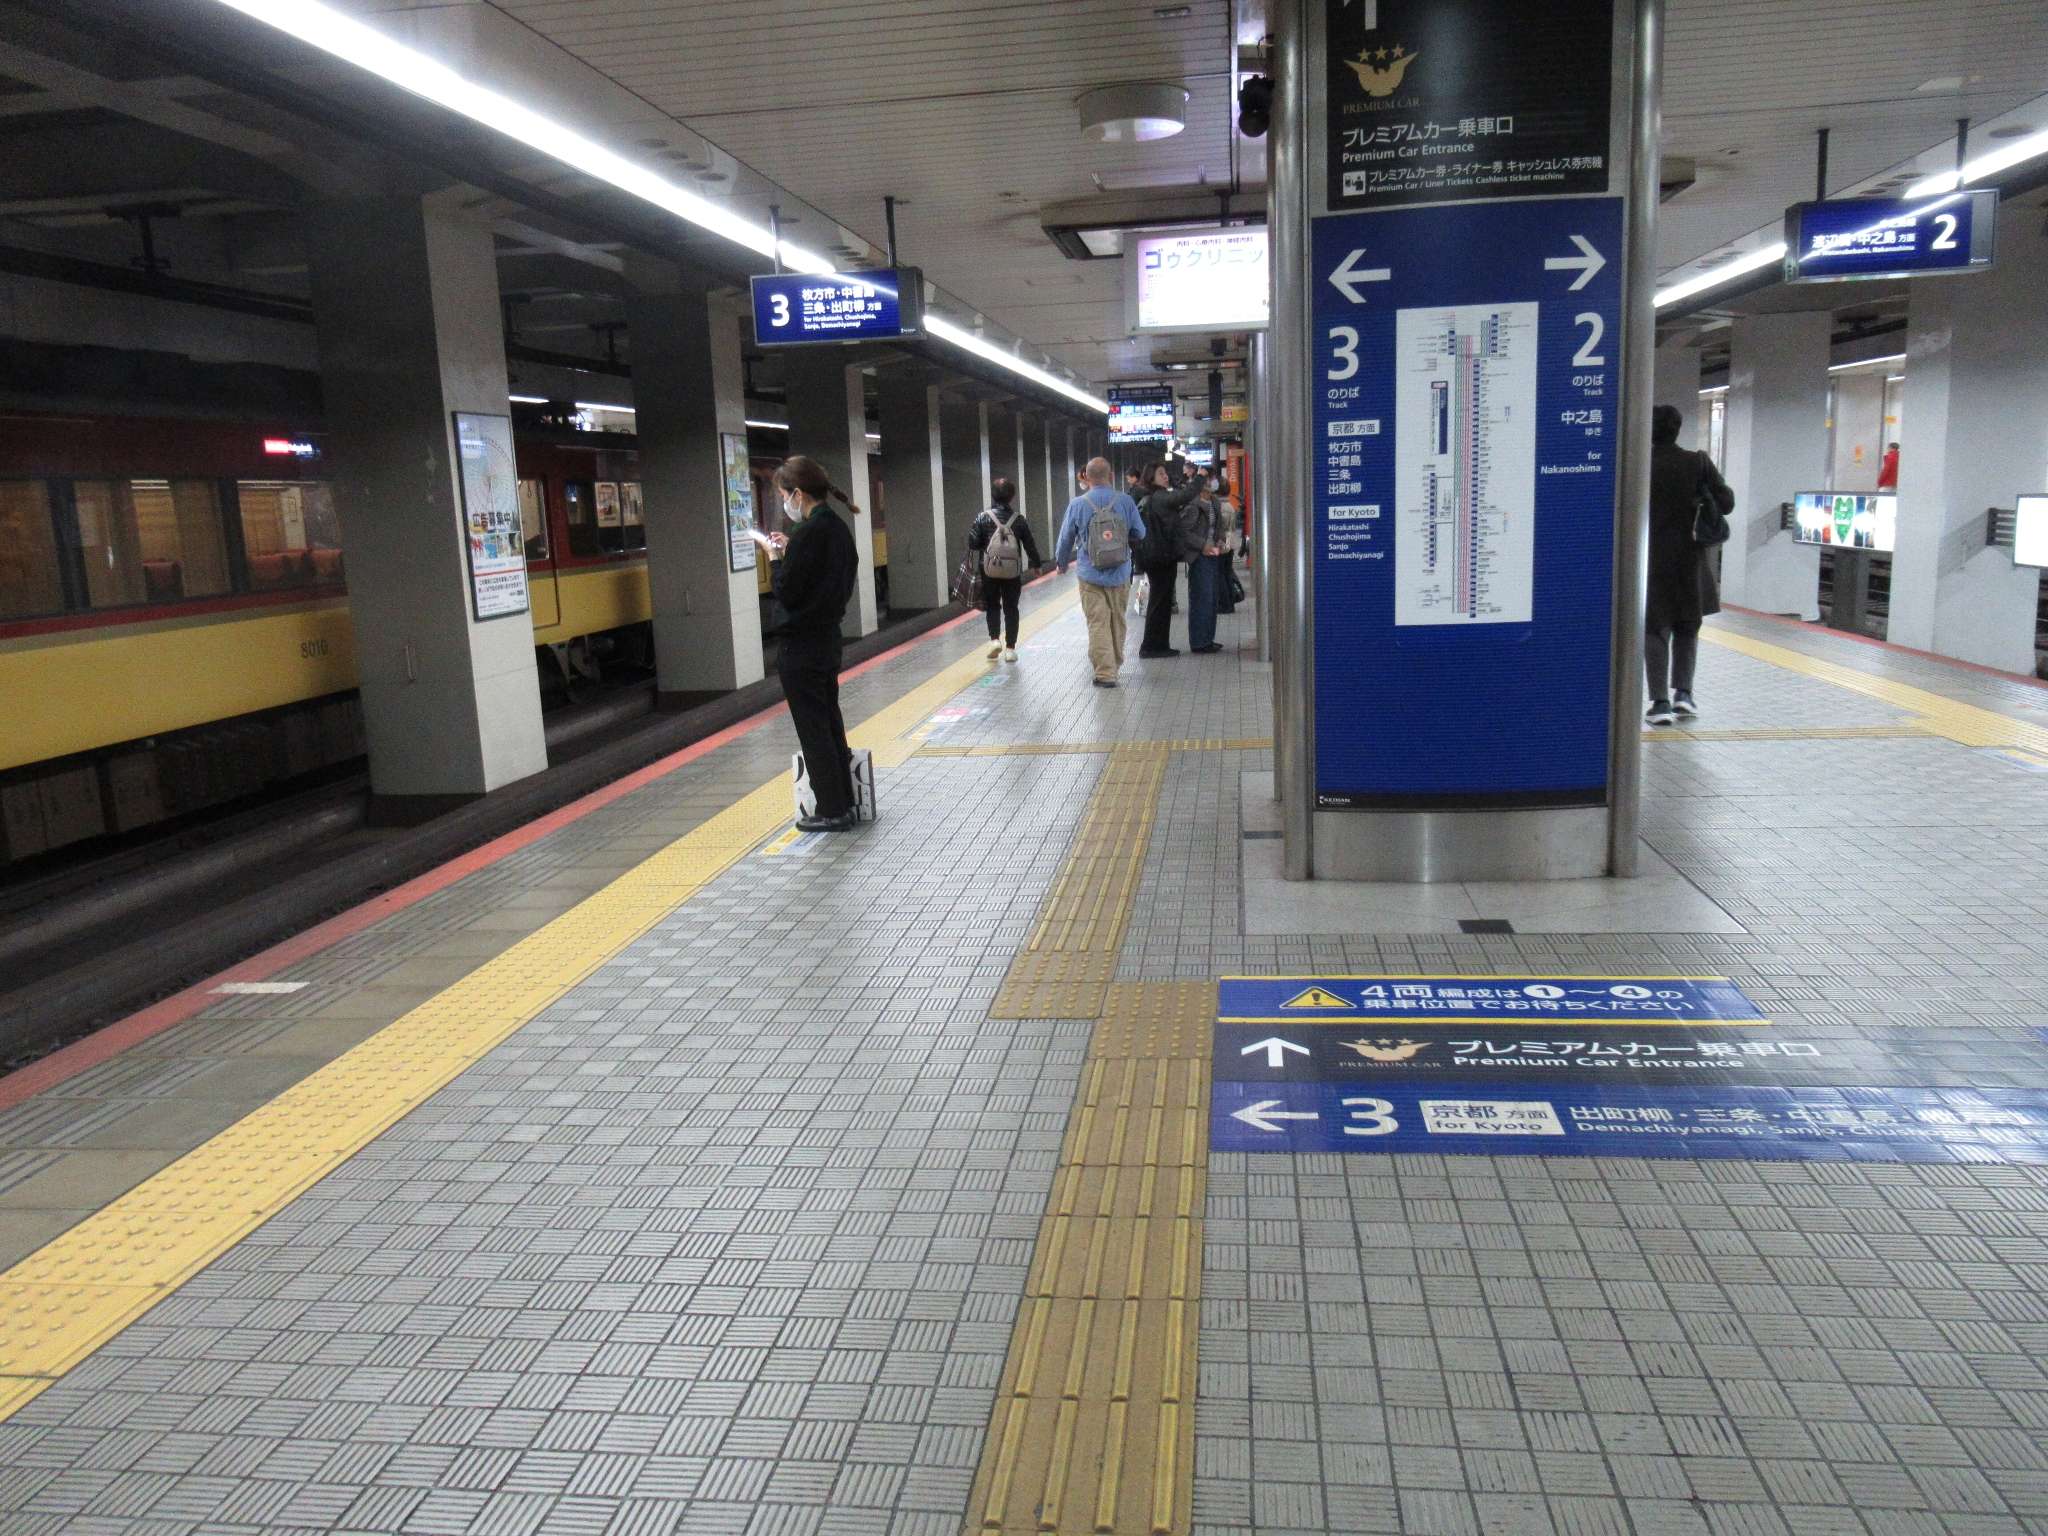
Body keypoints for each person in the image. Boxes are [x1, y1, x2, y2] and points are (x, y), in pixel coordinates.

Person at [767, 454, 861, 830]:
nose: (784, 504)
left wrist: (776, 559)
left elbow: (787, 592)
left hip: (801, 647)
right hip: (827, 640)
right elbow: (826, 575)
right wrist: (793, 549)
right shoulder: (836, 528)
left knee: (813, 728)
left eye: (783, 496)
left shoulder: (809, 533)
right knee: (829, 722)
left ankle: (832, 810)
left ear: (798, 493)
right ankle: (845, 800)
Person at [1645, 405, 1733, 727]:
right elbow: (1727, 503)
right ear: (1677, 429)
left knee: (1656, 629)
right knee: (1687, 625)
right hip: (1690, 559)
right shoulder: (1697, 462)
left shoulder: (1641, 464)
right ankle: (1684, 694)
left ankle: (1659, 703)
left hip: (1651, 559)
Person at [1054, 457, 1147, 688]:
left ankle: (1105, 672)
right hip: (1120, 572)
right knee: (1117, 618)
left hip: (1089, 574)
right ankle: (1114, 664)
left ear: (1086, 477)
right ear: (1111, 476)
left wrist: (1061, 563)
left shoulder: (1078, 504)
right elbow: (1140, 532)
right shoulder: (1125, 501)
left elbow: (1065, 538)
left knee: (1097, 622)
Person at [967, 477, 1043, 662]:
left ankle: (994, 640)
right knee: (1011, 607)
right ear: (1012, 497)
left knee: (992, 605)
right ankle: (1010, 649)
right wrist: (1036, 564)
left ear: (993, 495)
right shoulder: (1019, 520)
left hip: (989, 570)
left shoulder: (982, 517)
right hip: (1012, 571)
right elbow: (1029, 545)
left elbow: (973, 543)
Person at [1133, 460, 1203, 658]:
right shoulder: (1160, 497)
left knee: (1161, 601)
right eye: (1161, 473)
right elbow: (1185, 495)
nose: (1165, 476)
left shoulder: (1152, 497)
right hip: (1161, 557)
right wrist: (1200, 477)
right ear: (1151, 478)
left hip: (1157, 556)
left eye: (1165, 473)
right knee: (1159, 601)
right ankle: (1151, 646)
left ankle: (1159, 644)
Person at [1178, 472, 1227, 654]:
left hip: (1214, 553)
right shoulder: (1192, 505)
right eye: (1207, 480)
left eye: (1212, 479)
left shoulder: (1214, 502)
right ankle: (1199, 642)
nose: (1211, 483)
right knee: (1201, 598)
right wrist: (1202, 545)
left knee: (1212, 598)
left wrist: (1221, 540)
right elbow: (1183, 532)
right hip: (1199, 556)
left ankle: (1208, 638)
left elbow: (1218, 526)